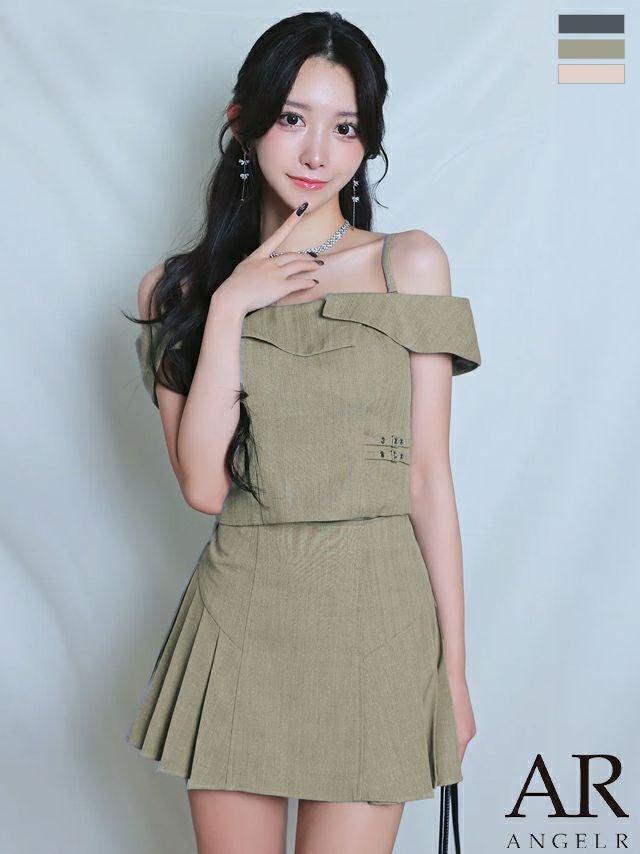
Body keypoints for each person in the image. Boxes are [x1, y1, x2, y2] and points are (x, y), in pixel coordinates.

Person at [125, 10, 481, 854]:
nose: (318, 152)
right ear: (243, 125)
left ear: (366, 143)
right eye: (293, 118)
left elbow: (427, 478)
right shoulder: (177, 294)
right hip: (243, 612)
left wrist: (455, 672)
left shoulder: (408, 264)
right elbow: (204, 487)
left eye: (345, 127)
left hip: (378, 618)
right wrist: (232, 305)